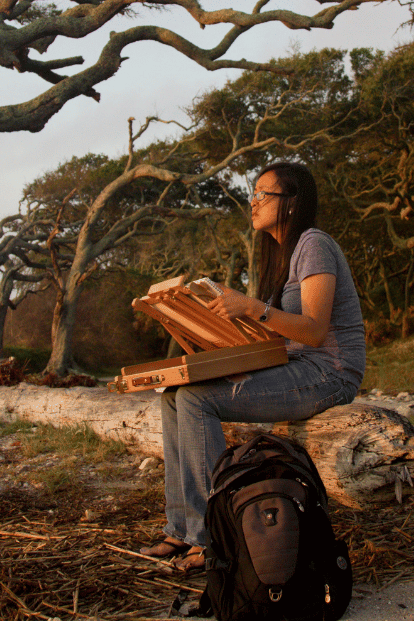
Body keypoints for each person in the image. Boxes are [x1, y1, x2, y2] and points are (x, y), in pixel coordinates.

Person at [140, 160, 366, 574]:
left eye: (263, 193)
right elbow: (276, 337)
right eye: (254, 193)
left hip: (329, 371)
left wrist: (251, 307)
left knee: (196, 400)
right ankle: (182, 527)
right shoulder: (282, 253)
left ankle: (212, 536)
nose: (253, 201)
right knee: (175, 394)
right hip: (294, 363)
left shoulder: (313, 244)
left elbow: (314, 331)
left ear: (291, 202)